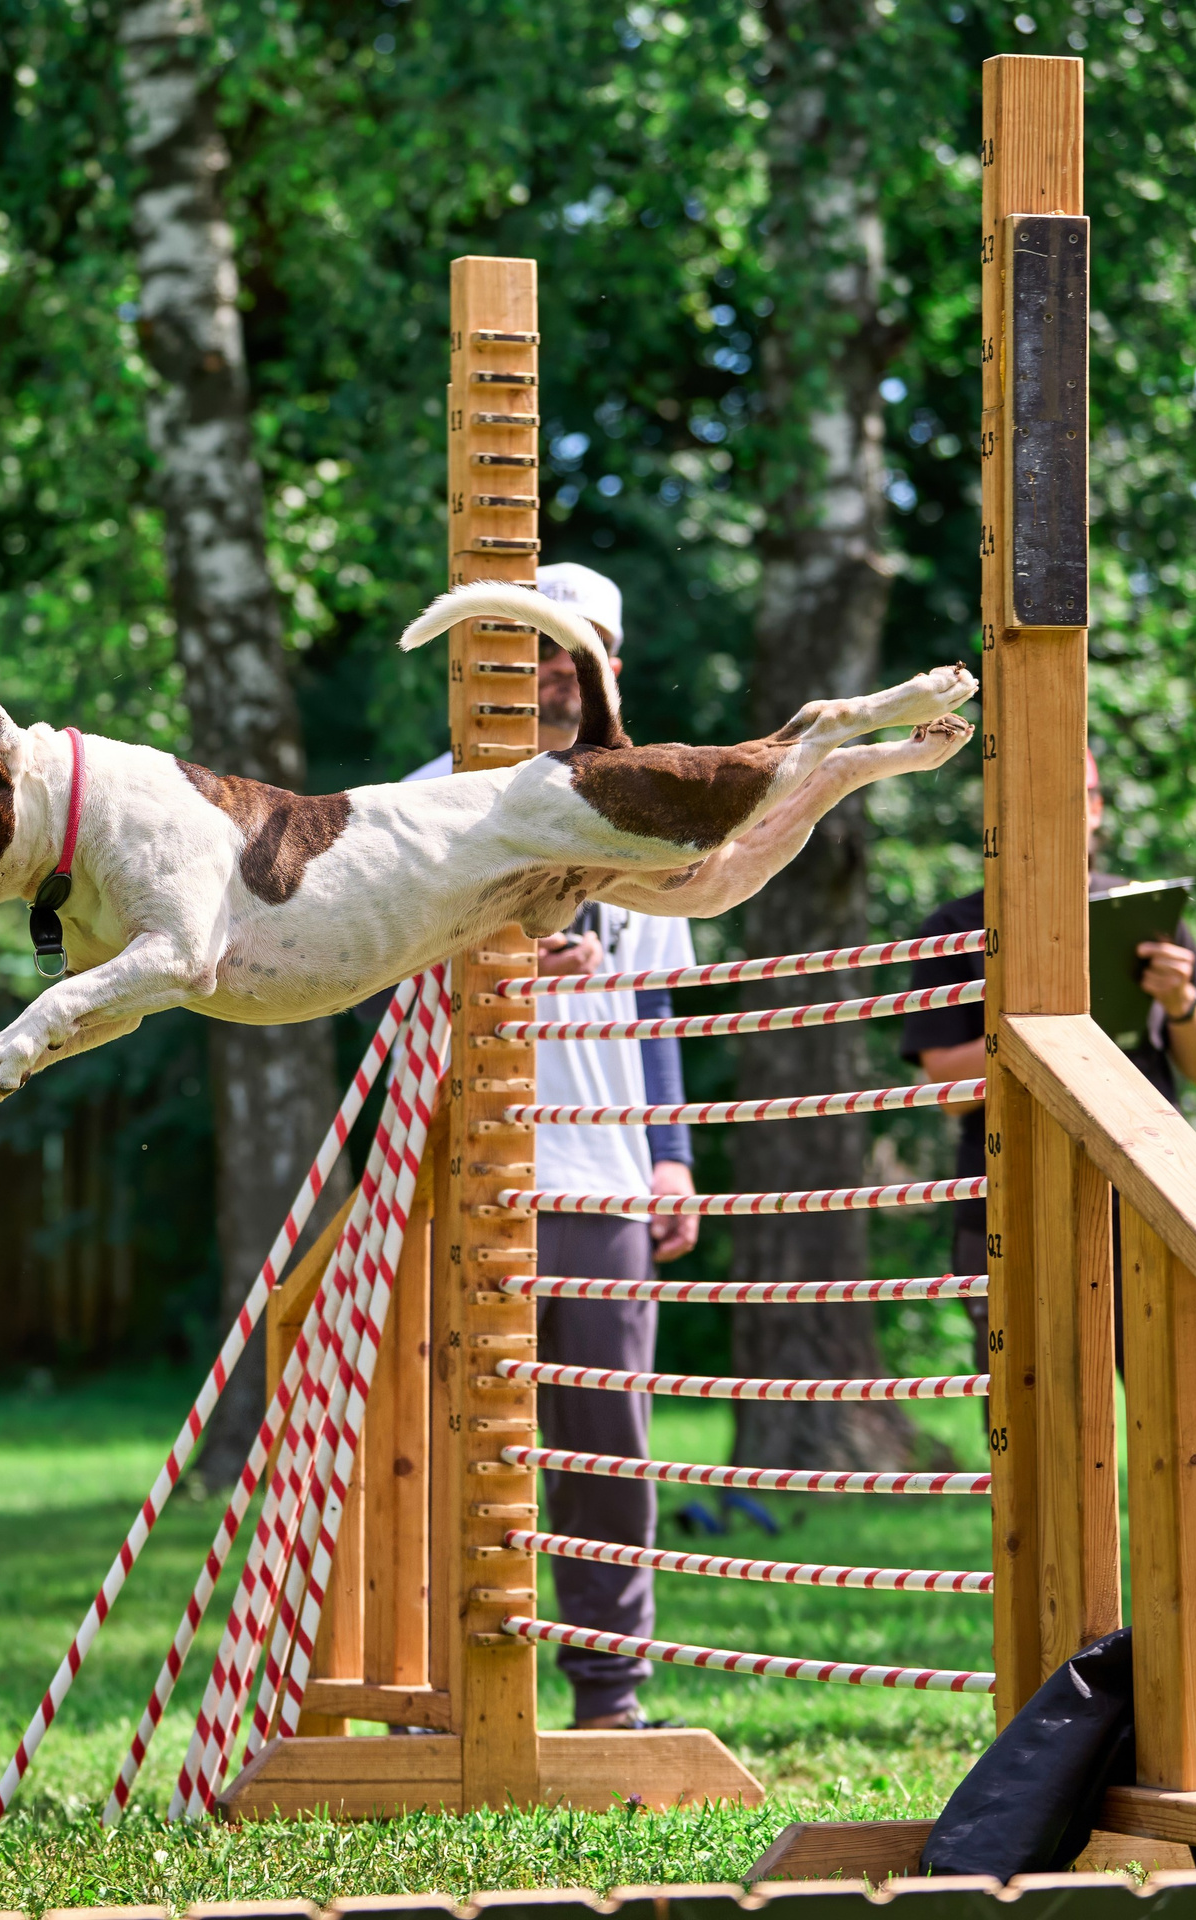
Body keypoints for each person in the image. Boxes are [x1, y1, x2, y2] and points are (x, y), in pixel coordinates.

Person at [406, 561, 699, 1731]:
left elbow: (652, 1002)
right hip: (458, 1172)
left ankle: (608, 1697)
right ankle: (435, 1698)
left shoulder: (647, 801)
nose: (557, 673)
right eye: (536, 648)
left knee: (604, 1455)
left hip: (602, 1180)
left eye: (580, 653)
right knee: (446, 1445)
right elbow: (368, 975)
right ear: (496, 657)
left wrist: (671, 1152)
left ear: (609, 667)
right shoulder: (431, 796)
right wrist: (502, 958)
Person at [898, 746, 1196, 1593]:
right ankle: (1061, 1635)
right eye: (1041, 794)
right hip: (1012, 1205)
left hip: (1151, 1196)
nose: (1065, 812)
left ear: (1099, 808)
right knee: (1038, 1432)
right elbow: (946, 1087)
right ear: (1001, 812)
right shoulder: (955, 927)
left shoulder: (1145, 913)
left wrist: (1178, 1002)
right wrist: (1040, 1022)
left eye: (1079, 794)